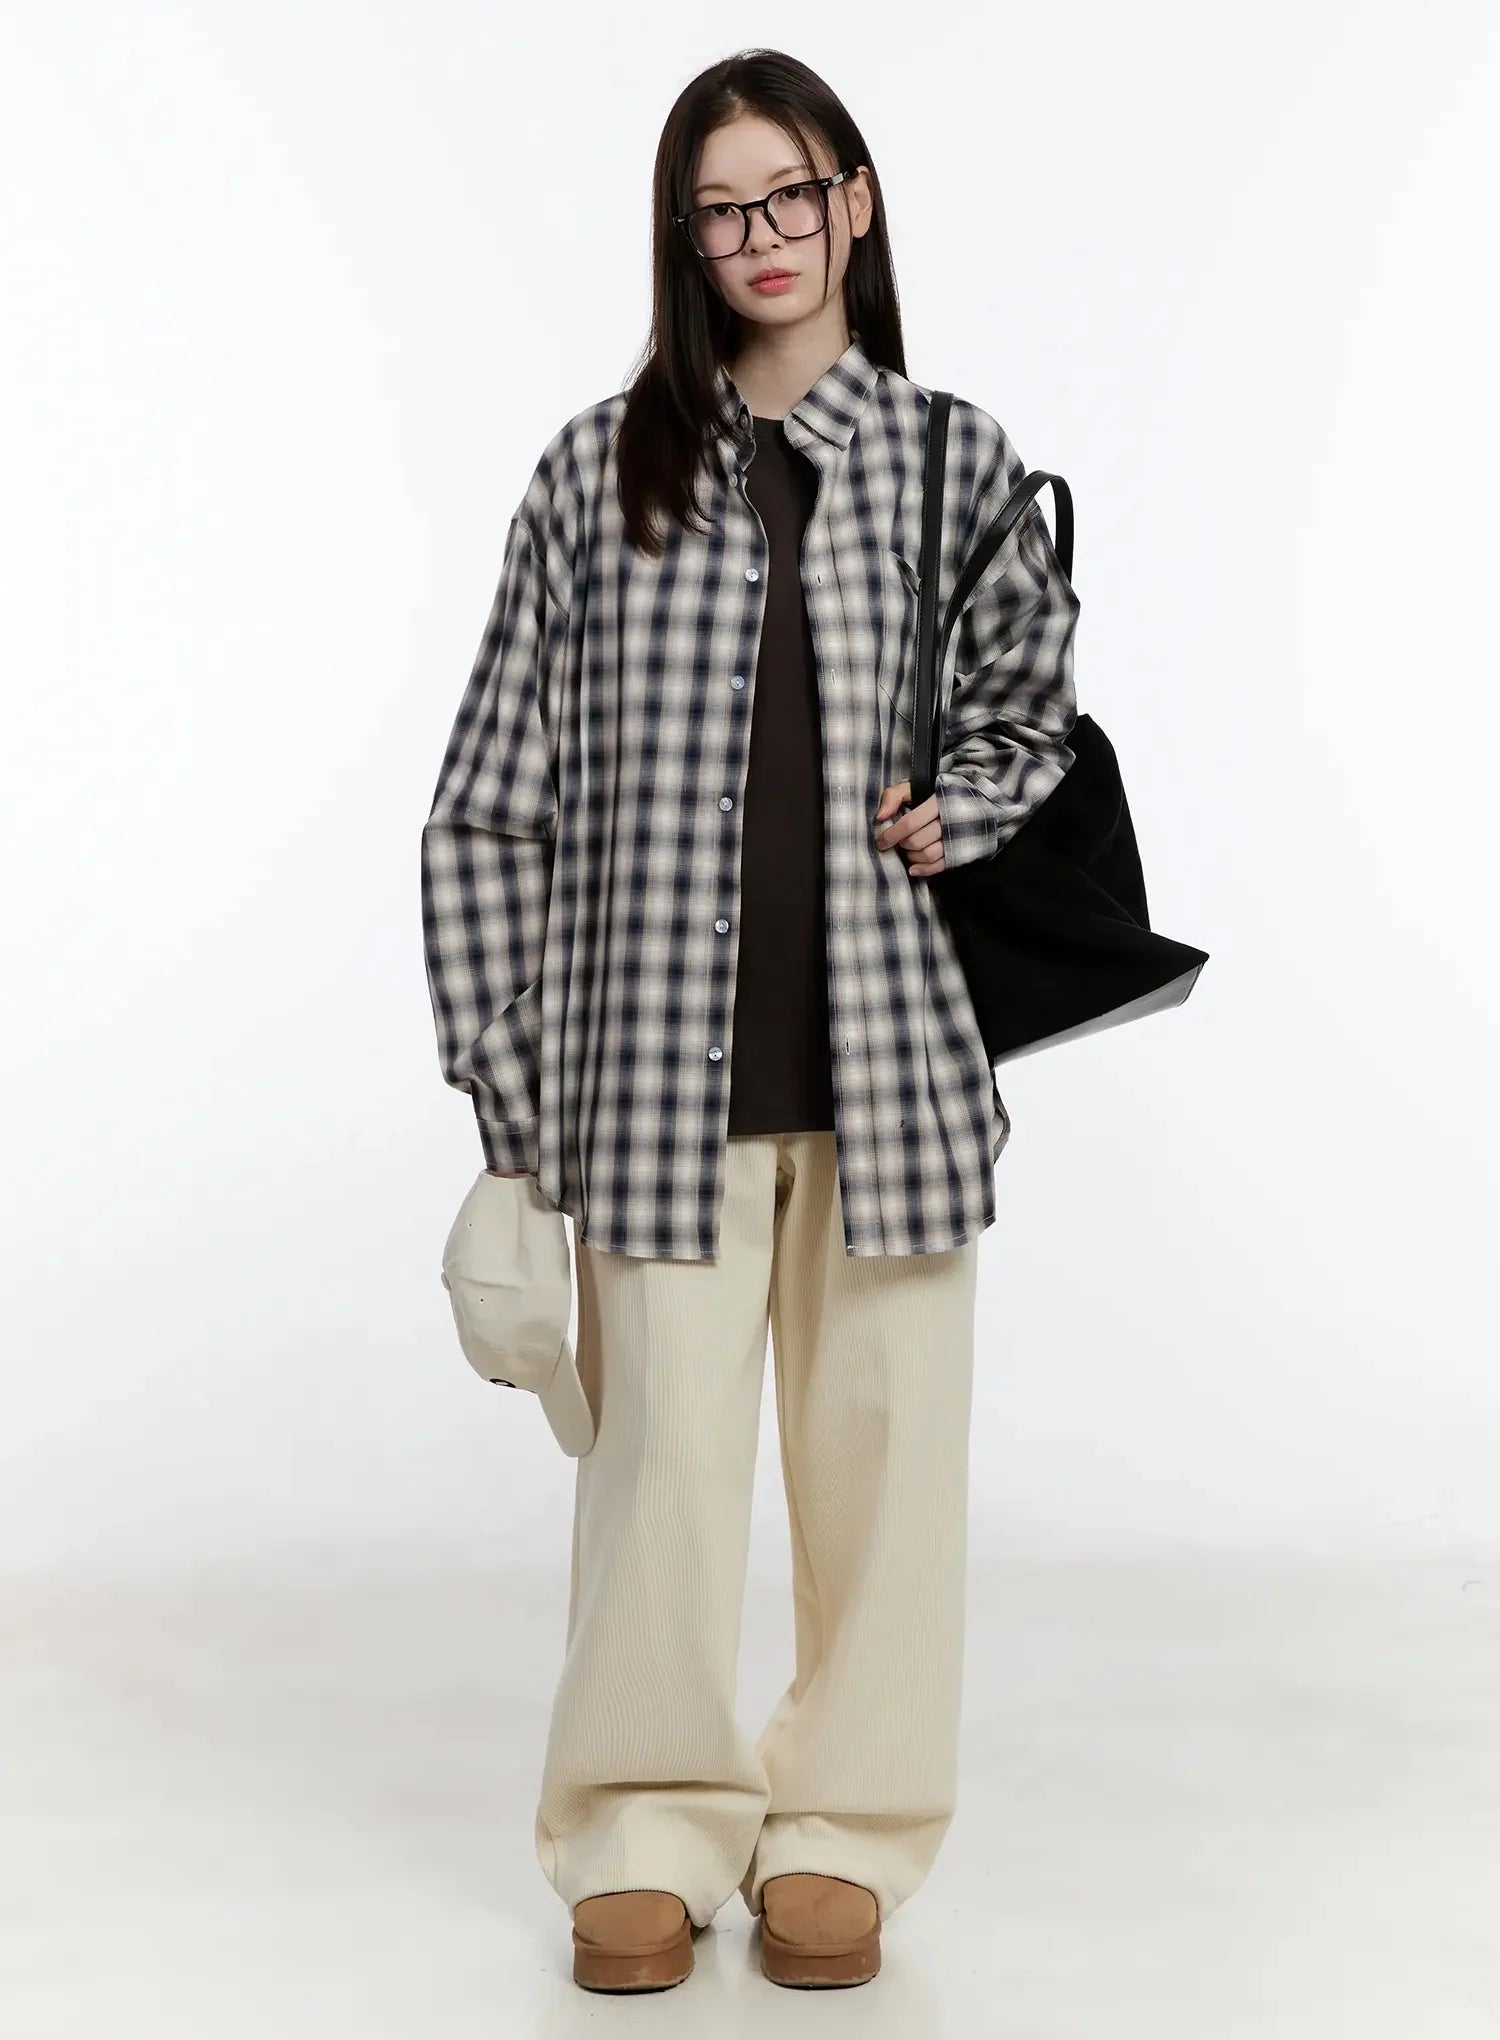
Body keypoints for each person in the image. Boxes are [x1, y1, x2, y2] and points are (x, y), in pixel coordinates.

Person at [419, 46, 1080, 1995]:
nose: (763, 237)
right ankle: (640, 1820)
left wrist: (969, 802)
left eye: (791, 193)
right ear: (685, 240)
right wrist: (513, 1098)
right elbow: (489, 808)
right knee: (662, 1489)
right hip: (649, 1089)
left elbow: (1033, 708)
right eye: (721, 210)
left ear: (854, 201)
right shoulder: (593, 475)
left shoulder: (953, 460)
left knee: (888, 1479)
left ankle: (849, 1830)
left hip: (895, 1076)